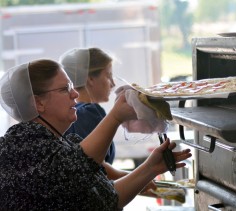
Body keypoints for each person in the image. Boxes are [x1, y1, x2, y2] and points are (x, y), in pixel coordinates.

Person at [0, 59, 192, 210]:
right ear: (38, 103)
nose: (75, 94)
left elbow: (107, 199)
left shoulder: (62, 143)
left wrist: (151, 167)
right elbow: (73, 171)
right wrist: (115, 117)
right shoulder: (19, 147)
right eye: (64, 89)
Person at [60, 47, 127, 180]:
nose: (113, 84)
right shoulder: (89, 112)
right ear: (90, 79)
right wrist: (147, 180)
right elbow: (96, 167)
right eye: (108, 75)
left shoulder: (73, 112)